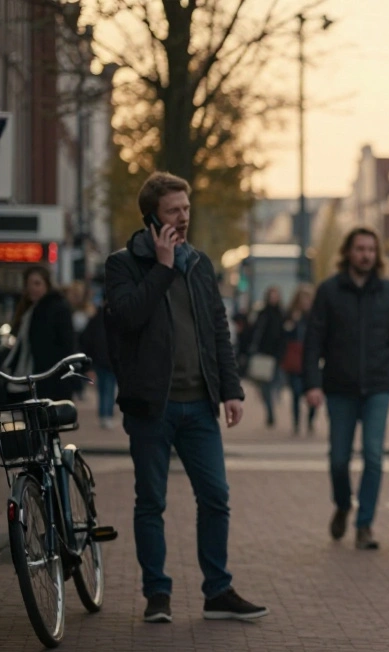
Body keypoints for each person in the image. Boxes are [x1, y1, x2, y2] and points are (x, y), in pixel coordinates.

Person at [104, 170, 268, 623]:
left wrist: (231, 391)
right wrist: (161, 266)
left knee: (215, 496)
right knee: (150, 501)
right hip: (150, 406)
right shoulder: (124, 264)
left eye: (187, 208)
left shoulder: (199, 263)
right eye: (174, 210)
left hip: (199, 404)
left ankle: (218, 591)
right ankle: (157, 594)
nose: (183, 216)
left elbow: (218, 329)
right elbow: (129, 317)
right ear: (152, 217)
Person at [303, 227, 389, 550]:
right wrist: (312, 384)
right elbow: (313, 342)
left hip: (378, 385)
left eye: (371, 249)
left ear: (376, 255)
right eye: (360, 249)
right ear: (348, 253)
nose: (366, 254)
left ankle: (364, 524)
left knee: (374, 456)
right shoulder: (328, 291)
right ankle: (342, 504)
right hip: (339, 387)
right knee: (339, 459)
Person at [1, 266, 76, 402]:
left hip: (49, 380)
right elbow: (20, 346)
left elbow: (67, 344)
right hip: (28, 378)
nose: (32, 288)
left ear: (47, 285)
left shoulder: (57, 308)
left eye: (37, 283)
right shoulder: (27, 310)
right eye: (29, 284)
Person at [245, 286, 286, 428]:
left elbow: (284, 336)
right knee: (266, 387)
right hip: (263, 355)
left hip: (276, 356)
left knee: (276, 384)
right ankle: (270, 412)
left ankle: (271, 407)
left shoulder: (282, 314)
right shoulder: (262, 314)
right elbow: (254, 332)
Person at [281, 284, 316, 436]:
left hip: (311, 359)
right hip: (295, 359)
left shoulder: (316, 316)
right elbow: (283, 336)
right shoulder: (291, 315)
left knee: (313, 392)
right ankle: (296, 423)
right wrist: (292, 323)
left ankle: (310, 420)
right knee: (295, 392)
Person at [78, 300, 117, 428]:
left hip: (101, 360)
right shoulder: (113, 318)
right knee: (108, 388)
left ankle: (104, 414)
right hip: (109, 360)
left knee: (103, 388)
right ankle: (107, 414)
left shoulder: (95, 319)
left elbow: (87, 340)